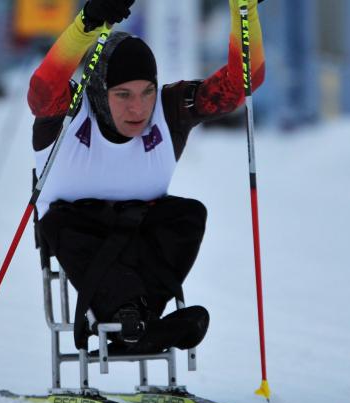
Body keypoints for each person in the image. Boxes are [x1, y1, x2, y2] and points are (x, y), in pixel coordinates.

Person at [29, 0, 265, 353]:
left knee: (188, 214)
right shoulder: (72, 110)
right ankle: (133, 322)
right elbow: (42, 91)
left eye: (147, 92)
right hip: (75, 230)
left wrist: (243, 10)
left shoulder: (169, 109)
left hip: (138, 229)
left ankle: (140, 323)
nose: (138, 108)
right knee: (63, 223)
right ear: (99, 91)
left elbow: (240, 85)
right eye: (122, 95)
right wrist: (86, 26)